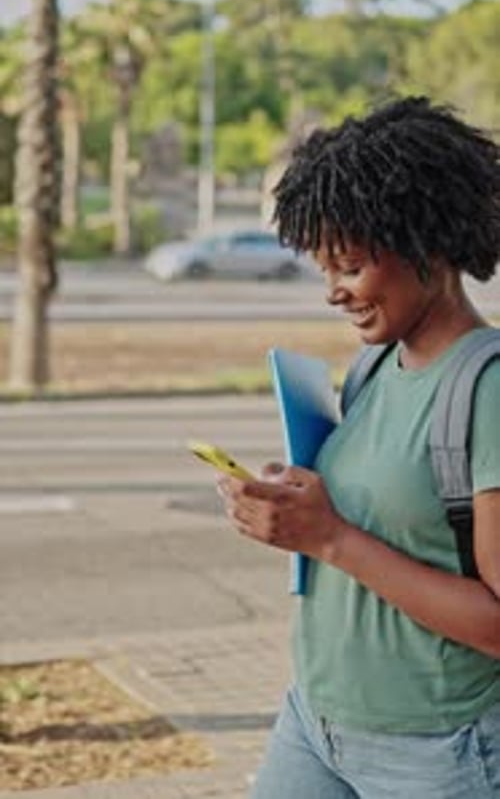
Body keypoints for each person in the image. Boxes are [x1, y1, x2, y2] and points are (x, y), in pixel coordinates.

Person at [216, 96, 500, 798]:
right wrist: (295, 509)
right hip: (314, 723)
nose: (333, 293)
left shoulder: (487, 388)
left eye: (349, 265)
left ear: (426, 246)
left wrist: (329, 537)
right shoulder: (374, 365)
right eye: (324, 269)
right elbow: (380, 513)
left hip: (438, 751)